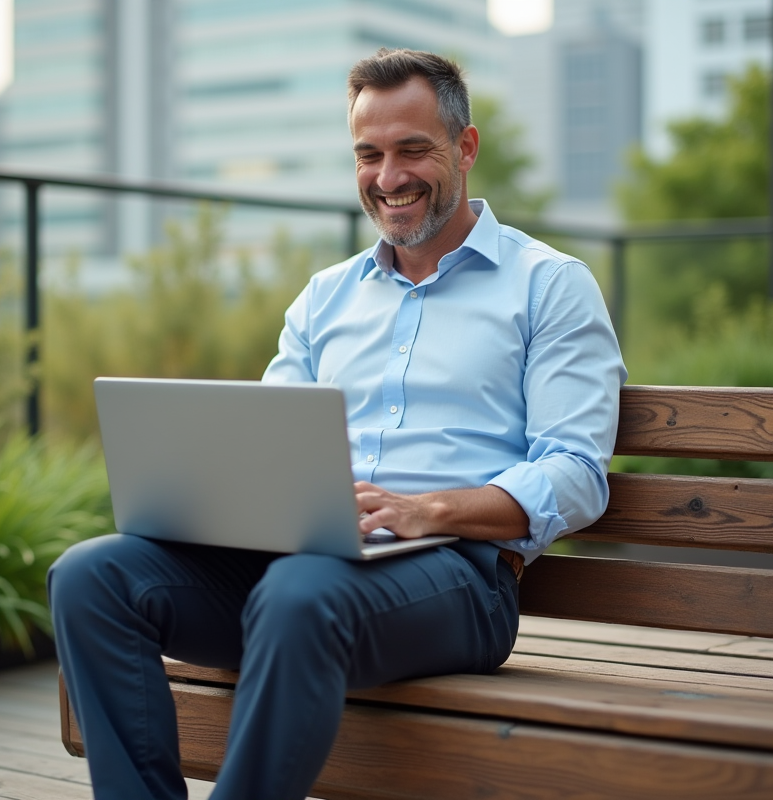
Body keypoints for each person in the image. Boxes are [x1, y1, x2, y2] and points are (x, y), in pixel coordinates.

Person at [49, 48, 626, 800]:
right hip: (301, 576)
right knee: (93, 577)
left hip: (461, 581)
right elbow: (264, 444)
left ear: (466, 147)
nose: (389, 178)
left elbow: (577, 476)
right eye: (369, 154)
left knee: (300, 592)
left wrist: (429, 510)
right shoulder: (324, 298)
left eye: (413, 150)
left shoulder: (548, 287)